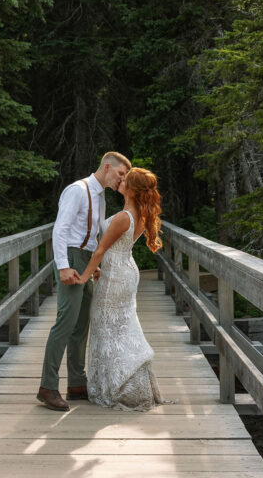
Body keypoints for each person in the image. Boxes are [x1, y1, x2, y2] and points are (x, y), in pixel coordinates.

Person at [36, 151, 131, 411]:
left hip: (85, 258)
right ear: (108, 167)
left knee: (81, 323)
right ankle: (48, 386)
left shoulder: (100, 197)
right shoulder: (78, 190)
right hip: (71, 256)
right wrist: (63, 265)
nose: (121, 181)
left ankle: (77, 382)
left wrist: (93, 264)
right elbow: (61, 229)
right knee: (65, 322)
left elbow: (91, 233)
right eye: (120, 174)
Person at [76, 167, 168, 411]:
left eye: (125, 180)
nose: (121, 181)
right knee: (121, 326)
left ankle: (114, 386)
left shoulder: (123, 217)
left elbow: (100, 250)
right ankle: (128, 381)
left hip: (116, 274)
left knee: (105, 326)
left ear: (132, 188)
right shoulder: (138, 214)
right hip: (125, 270)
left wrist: (85, 275)